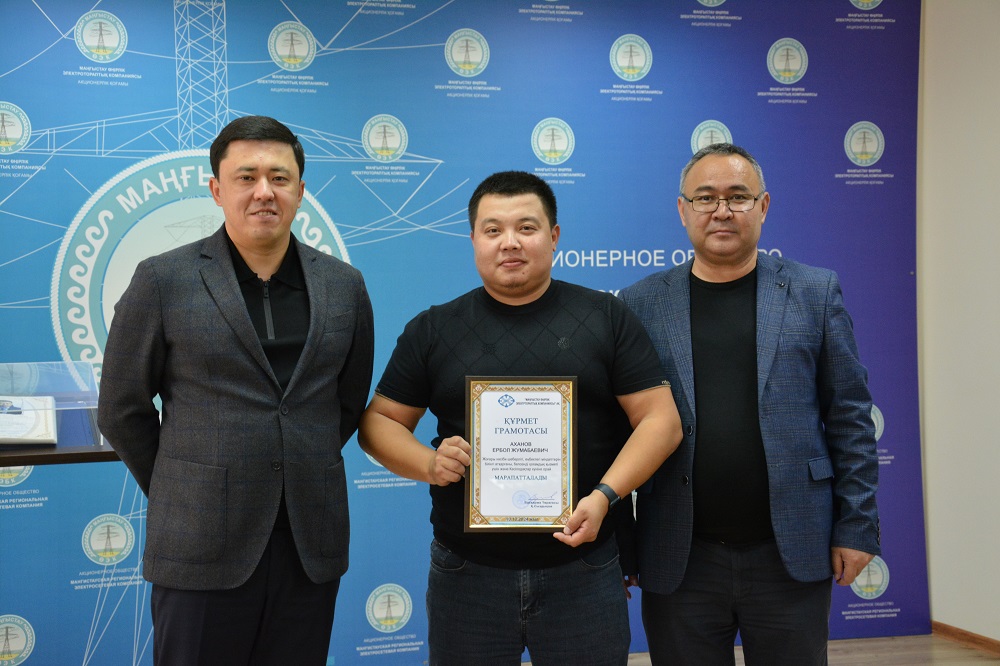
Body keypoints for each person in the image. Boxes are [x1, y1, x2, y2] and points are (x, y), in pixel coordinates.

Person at [358, 170, 682, 666]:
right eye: (493, 230)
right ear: (473, 239)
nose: (509, 242)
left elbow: (661, 421)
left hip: (583, 569)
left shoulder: (606, 317)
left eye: (526, 228)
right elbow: (378, 423)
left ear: (554, 236)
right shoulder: (433, 329)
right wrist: (428, 463)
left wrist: (605, 496)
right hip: (466, 574)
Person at [97, 115, 374, 665]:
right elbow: (121, 408)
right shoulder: (162, 279)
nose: (264, 191)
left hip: (308, 544)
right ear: (217, 189)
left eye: (279, 177)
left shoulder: (344, 285)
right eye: (246, 177)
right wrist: (184, 485)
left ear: (301, 190)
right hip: (199, 541)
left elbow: (344, 404)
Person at [620, 143, 880, 665]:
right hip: (680, 555)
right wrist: (623, 547)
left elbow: (850, 417)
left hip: (790, 551)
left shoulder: (814, 292)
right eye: (705, 198)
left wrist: (856, 525)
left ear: (763, 206)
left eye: (738, 197)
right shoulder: (641, 304)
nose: (722, 210)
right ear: (682, 210)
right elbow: (617, 432)